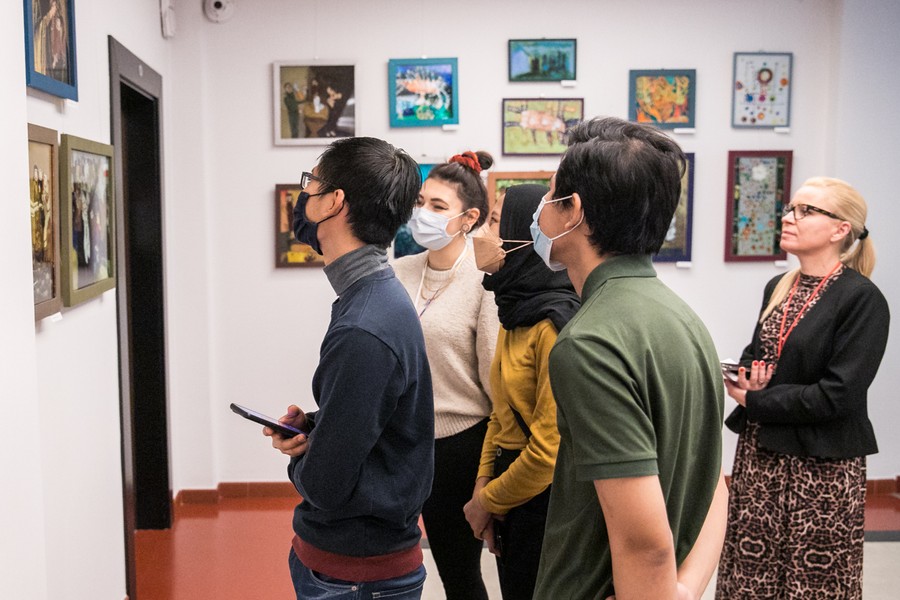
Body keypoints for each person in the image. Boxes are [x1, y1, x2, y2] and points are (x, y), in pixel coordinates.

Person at [532, 117, 727, 600]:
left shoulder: (589, 343)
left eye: (550, 194)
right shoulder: (684, 320)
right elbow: (713, 485)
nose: (540, 208)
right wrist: (684, 589)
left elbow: (644, 544)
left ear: (574, 210)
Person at [264, 137, 434, 600]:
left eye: (311, 184)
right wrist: (317, 428)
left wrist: (303, 457)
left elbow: (324, 484)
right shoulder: (375, 296)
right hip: (359, 567)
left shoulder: (364, 325)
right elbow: (378, 422)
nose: (304, 196)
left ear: (334, 202)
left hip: (354, 576)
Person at [716, 177, 890, 599]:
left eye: (805, 211)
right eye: (790, 208)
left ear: (840, 229)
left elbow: (838, 394)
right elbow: (762, 352)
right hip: (762, 457)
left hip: (821, 467)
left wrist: (756, 399)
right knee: (751, 577)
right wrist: (745, 373)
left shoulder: (862, 299)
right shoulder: (778, 286)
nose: (788, 218)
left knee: (811, 583)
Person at [392, 150, 501, 600]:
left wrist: (490, 473)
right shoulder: (397, 272)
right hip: (399, 443)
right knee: (391, 567)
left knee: (458, 574)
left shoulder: (484, 281)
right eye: (421, 202)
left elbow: (496, 385)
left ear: (468, 218)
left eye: (438, 206)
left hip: (459, 448)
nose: (423, 214)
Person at [463, 183, 580, 600]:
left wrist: (487, 502)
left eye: (495, 221)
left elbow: (548, 452)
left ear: (522, 237)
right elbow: (501, 414)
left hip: (542, 500)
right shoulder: (516, 313)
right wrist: (483, 484)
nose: (483, 233)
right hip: (511, 487)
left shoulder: (552, 325)